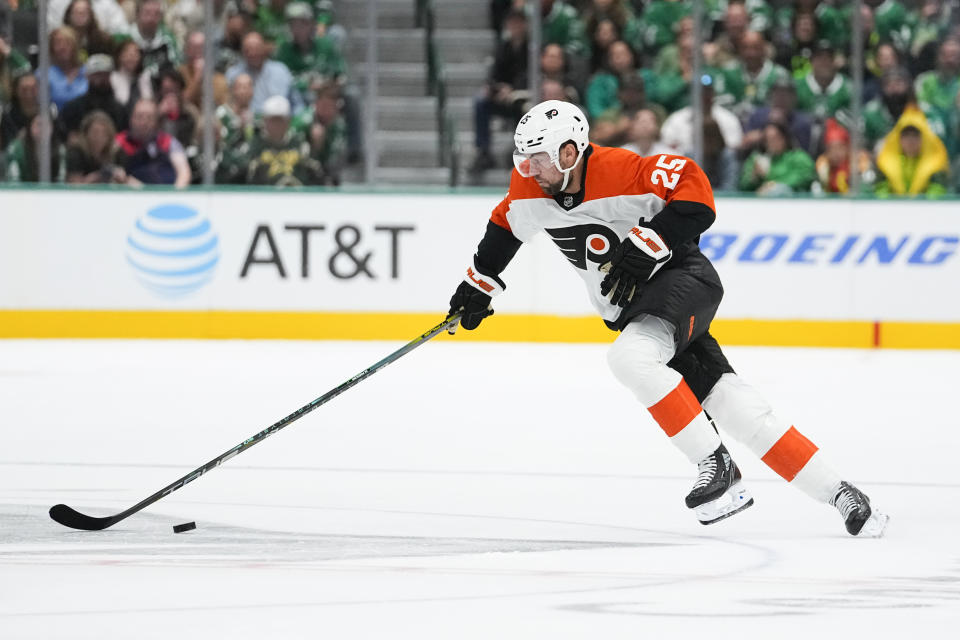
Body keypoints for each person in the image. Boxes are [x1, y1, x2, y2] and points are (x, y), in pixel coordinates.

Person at [444, 99, 888, 537]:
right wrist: (478, 284)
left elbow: (698, 192)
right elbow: (505, 225)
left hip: (684, 281)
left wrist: (650, 240)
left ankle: (716, 466)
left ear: (569, 152)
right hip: (641, 311)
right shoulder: (530, 189)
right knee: (736, 407)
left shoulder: (621, 170)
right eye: (524, 160)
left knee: (630, 358)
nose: (529, 171)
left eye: (537, 159)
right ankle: (843, 495)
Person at [244, 94, 322, 186]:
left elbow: (315, 172)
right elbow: (246, 174)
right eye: (273, 120)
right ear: (264, 120)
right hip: (264, 195)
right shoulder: (255, 145)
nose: (277, 125)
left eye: (281, 120)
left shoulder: (299, 143)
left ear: (288, 121)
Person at [114, 97, 191, 186]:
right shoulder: (119, 142)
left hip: (166, 194)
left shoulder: (168, 142)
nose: (144, 122)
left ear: (157, 122)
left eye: (149, 117)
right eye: (139, 116)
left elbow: (184, 173)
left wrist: (174, 195)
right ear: (131, 119)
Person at [874, 107, 949, 198]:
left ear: (924, 139)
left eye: (915, 136)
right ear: (899, 139)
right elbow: (880, 191)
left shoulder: (936, 165)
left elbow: (937, 191)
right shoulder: (885, 164)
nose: (910, 141)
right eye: (906, 136)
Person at [58, 53, 129, 143]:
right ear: (88, 76)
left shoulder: (119, 110)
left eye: (105, 75)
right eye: (97, 75)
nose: (102, 79)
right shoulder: (73, 108)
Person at [226, 31, 299, 114]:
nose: (252, 53)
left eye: (256, 48)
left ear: (264, 48)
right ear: (242, 51)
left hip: (276, 121)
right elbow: (228, 103)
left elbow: (294, 102)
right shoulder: (233, 74)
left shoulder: (280, 71)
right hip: (243, 122)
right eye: (248, 50)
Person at [739, 120, 816, 194]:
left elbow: (805, 177)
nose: (771, 143)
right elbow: (743, 186)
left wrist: (773, 186)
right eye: (767, 139)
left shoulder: (799, 157)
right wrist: (754, 178)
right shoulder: (757, 159)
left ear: (785, 138)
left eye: (775, 138)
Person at [65, 109, 128, 183]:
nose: (99, 137)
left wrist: (121, 177)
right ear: (86, 133)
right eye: (95, 132)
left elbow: (125, 182)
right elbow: (73, 186)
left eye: (104, 133)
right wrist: (95, 177)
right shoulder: (76, 153)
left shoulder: (117, 153)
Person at [4, 113, 65, 182]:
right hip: (23, 191)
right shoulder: (16, 149)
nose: (43, 129)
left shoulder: (60, 149)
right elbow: (14, 181)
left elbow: (61, 180)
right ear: (30, 126)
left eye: (47, 125)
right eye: (39, 124)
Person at [179, 31, 228, 109]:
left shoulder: (220, 79)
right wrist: (197, 78)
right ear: (187, 51)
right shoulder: (179, 74)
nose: (198, 52)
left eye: (202, 48)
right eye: (194, 48)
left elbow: (222, 107)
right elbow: (181, 103)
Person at [44, 26, 88, 111]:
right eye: (58, 43)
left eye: (67, 43)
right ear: (51, 48)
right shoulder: (44, 75)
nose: (62, 47)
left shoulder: (87, 73)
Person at [110, 39, 154, 112]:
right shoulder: (113, 78)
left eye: (136, 54)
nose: (132, 58)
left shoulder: (144, 76)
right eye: (128, 54)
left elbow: (148, 99)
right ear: (119, 56)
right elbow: (122, 101)